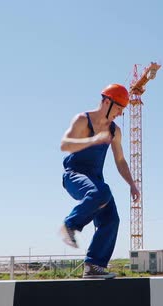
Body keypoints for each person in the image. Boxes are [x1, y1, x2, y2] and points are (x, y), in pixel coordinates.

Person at [59, 83, 140, 279]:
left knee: (111, 219)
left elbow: (120, 160)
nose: (120, 114)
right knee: (100, 192)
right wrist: (92, 140)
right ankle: (69, 225)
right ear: (106, 102)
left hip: (96, 180)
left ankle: (94, 265)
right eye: (119, 108)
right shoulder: (82, 120)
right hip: (74, 175)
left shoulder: (114, 131)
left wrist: (132, 184)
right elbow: (65, 145)